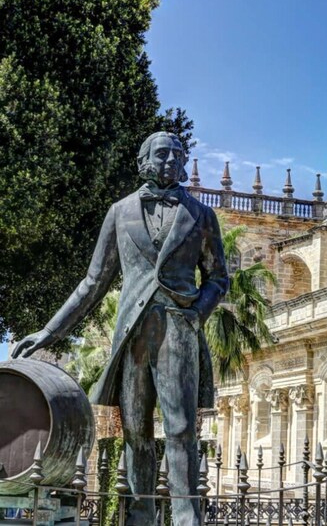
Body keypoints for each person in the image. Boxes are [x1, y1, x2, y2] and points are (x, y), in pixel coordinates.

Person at [13, 132, 229, 526]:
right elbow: (93, 281)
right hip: (132, 333)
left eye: (177, 154)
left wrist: (196, 313)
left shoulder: (201, 215)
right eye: (161, 154)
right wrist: (50, 331)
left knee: (181, 428)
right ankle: (139, 517)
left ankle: (187, 519)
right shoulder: (120, 211)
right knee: (135, 431)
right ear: (144, 161)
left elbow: (218, 278)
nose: (171, 160)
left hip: (178, 328)